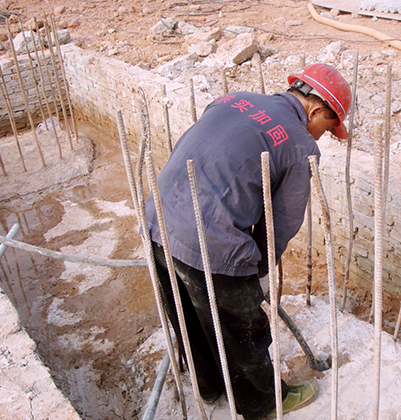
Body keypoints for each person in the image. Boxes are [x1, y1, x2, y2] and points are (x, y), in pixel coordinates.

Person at [144, 63, 351, 420]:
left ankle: (209, 388)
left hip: (157, 218)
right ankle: (263, 403)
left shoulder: (233, 99)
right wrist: (255, 273)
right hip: (212, 241)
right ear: (315, 110)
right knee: (243, 331)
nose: (322, 137)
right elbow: (280, 225)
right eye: (328, 128)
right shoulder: (300, 144)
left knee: (189, 317)